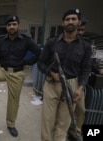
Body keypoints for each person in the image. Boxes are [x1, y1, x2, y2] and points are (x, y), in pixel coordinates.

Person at [37, 9, 92, 141]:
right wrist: (51, 72)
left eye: (73, 19)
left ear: (79, 22)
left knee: (63, 123)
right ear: (63, 23)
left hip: (72, 85)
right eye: (67, 19)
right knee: (47, 121)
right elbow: (41, 63)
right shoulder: (52, 42)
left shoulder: (85, 46)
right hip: (52, 84)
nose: (70, 22)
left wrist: (80, 88)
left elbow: (86, 69)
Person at [0, 15, 41, 137]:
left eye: (14, 24)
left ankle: (11, 124)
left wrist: (26, 62)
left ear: (18, 25)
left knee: (14, 101)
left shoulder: (26, 40)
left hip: (17, 73)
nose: (12, 27)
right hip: (2, 70)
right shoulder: (0, 40)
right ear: (6, 27)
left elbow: (39, 53)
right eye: (9, 25)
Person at [66, 17, 90, 141]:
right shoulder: (69, 43)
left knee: (81, 110)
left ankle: (75, 132)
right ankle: (63, 130)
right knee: (65, 110)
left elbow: (87, 66)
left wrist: (82, 86)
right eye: (78, 30)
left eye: (82, 30)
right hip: (68, 79)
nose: (80, 32)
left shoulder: (85, 45)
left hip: (80, 82)